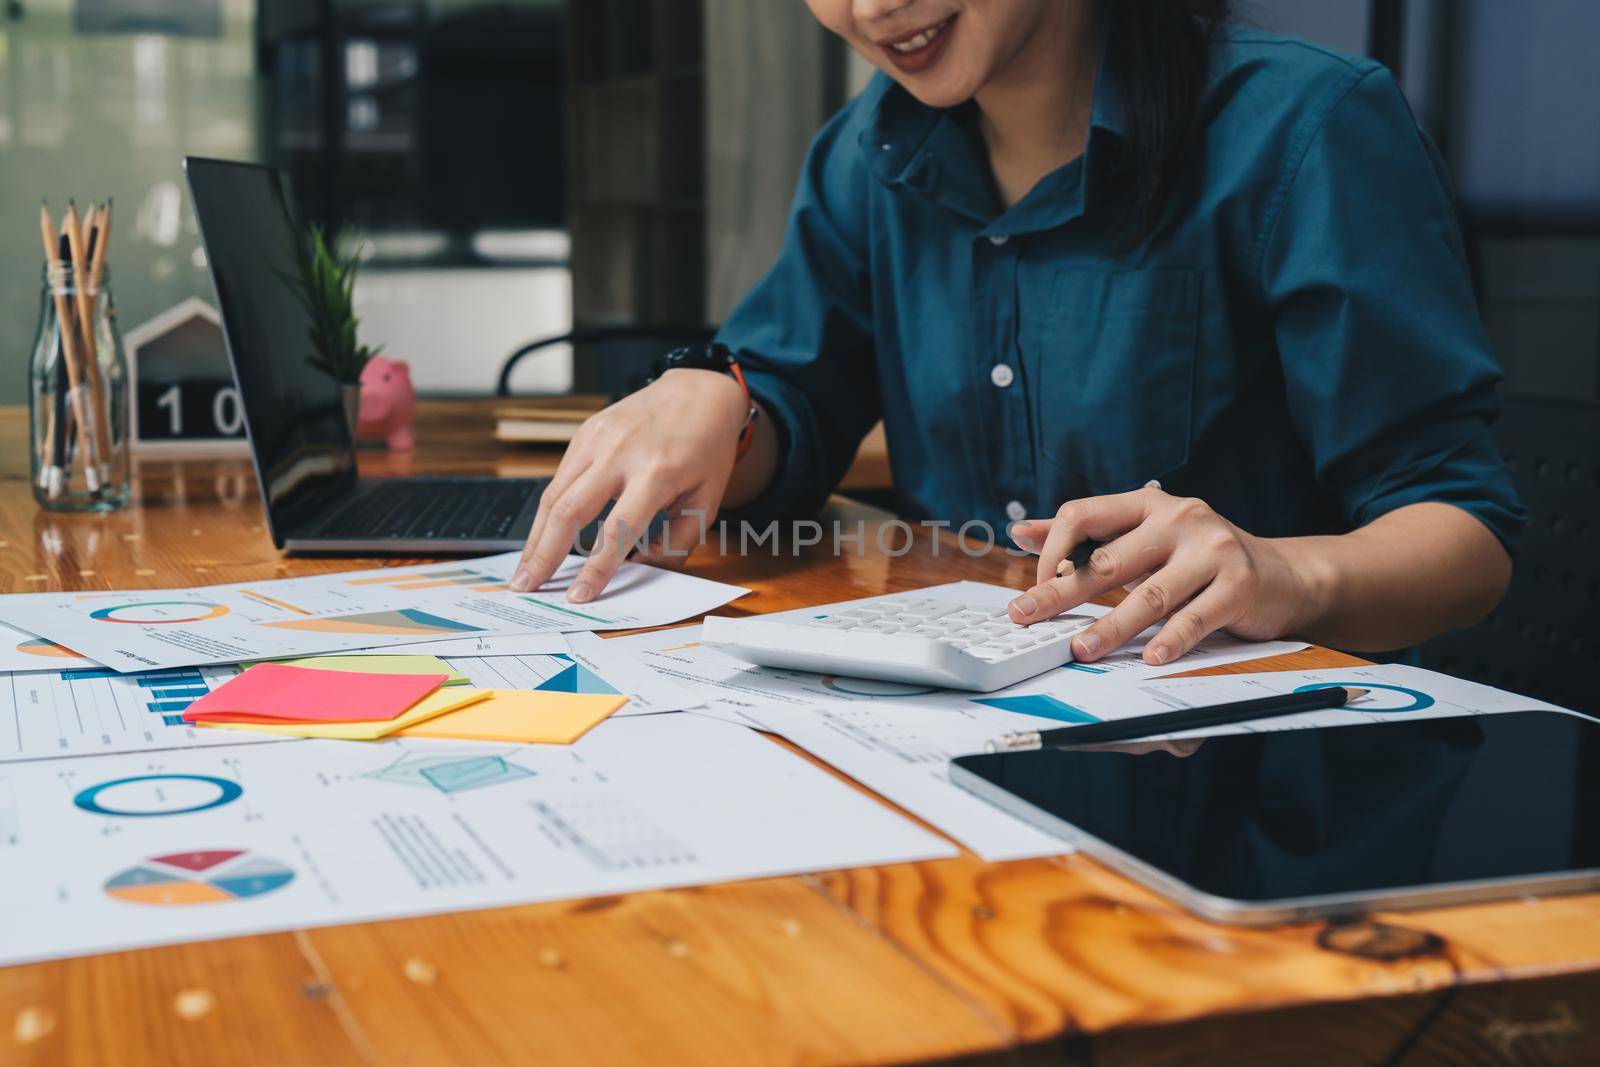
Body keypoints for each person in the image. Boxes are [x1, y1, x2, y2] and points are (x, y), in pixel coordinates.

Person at [511, 0, 1525, 667]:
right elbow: (791, 415)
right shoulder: (868, 153)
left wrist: (1287, 572)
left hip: (1240, 766)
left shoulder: (1305, 129)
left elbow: (1464, 538)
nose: (870, 9)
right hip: (942, 731)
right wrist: (716, 404)